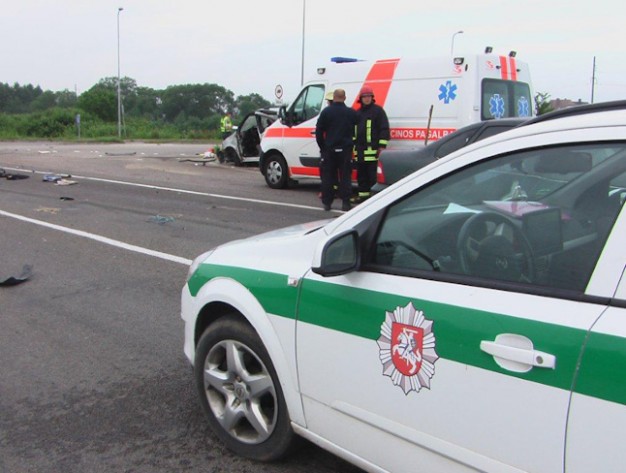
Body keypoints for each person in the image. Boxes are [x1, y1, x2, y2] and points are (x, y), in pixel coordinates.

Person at [315, 89, 357, 212]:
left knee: (328, 177)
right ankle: (346, 203)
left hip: (329, 150)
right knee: (345, 177)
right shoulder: (351, 113)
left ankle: (327, 203)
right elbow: (358, 128)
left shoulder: (326, 112)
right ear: (344, 98)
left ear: (334, 98)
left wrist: (323, 147)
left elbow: (318, 131)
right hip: (345, 150)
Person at [353, 86, 390, 203]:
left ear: (372, 97)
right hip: (360, 151)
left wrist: (381, 146)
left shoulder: (378, 112)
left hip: (373, 151)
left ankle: (374, 200)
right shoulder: (357, 113)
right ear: (361, 98)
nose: (367, 98)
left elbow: (384, 129)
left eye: (369, 96)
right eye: (365, 97)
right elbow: (353, 132)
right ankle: (363, 197)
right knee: (361, 176)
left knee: (373, 176)